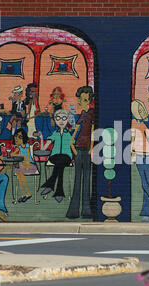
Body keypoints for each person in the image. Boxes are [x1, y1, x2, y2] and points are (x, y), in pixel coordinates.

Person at [66, 86, 95, 219]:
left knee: (87, 181)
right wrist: (72, 146)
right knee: (78, 180)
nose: (80, 101)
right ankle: (74, 211)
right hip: (79, 150)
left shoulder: (91, 114)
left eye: (83, 99)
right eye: (80, 99)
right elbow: (76, 132)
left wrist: (91, 149)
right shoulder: (83, 114)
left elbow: (93, 133)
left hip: (87, 150)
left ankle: (86, 210)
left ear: (88, 100)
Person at [39, 109, 75, 203]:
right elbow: (43, 148)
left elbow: (73, 145)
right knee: (60, 164)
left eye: (64, 118)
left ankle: (50, 185)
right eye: (58, 118)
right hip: (54, 156)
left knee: (60, 164)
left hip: (67, 157)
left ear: (67, 119)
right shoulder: (54, 133)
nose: (61, 121)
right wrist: (41, 137)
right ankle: (59, 192)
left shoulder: (69, 134)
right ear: (55, 120)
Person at [11, 128, 38, 203]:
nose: (17, 139)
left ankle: (26, 194)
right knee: (20, 176)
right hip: (22, 166)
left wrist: (26, 162)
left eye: (20, 137)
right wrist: (12, 153)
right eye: (16, 136)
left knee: (19, 174)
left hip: (30, 165)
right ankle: (26, 194)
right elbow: (14, 154)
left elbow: (28, 157)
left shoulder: (27, 146)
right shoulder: (19, 147)